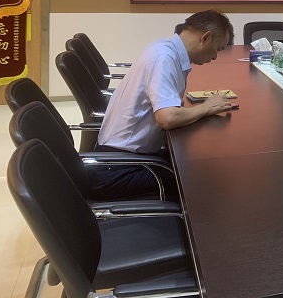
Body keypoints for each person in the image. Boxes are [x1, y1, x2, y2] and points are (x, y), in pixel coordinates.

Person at [91, 10, 236, 199]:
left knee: (197, 163)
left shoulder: (165, 48)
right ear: (206, 38)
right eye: (218, 49)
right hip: (118, 169)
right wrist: (206, 108)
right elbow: (167, 118)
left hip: (126, 157)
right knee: (201, 178)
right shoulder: (164, 58)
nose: (216, 57)